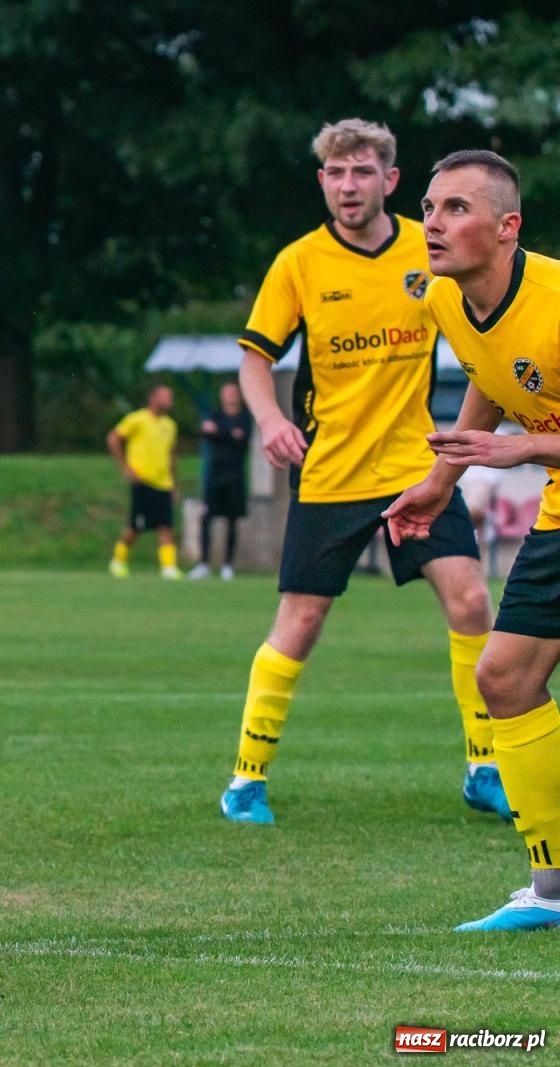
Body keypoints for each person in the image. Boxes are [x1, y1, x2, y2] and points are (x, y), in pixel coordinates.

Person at [218, 119, 497, 826]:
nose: (349, 186)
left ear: (391, 180)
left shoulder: (427, 249)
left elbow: (482, 328)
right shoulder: (300, 263)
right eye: (337, 174)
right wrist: (271, 419)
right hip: (332, 469)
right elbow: (255, 358)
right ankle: (246, 779)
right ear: (322, 182)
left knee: (470, 600)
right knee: (301, 619)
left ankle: (485, 765)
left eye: (363, 172)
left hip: (416, 464)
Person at [385, 150, 560, 930]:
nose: (432, 223)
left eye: (455, 208)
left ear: (507, 227)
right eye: (427, 208)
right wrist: (438, 481)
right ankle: (552, 889)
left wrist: (525, 450)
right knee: (505, 678)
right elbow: (494, 376)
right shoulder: (446, 302)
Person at [107, 384, 181, 579]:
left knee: (166, 526)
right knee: (135, 528)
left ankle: (169, 568)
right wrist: (125, 468)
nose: (168, 401)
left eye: (170, 397)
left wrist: (174, 483)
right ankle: (118, 560)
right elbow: (113, 439)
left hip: (163, 483)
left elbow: (172, 456)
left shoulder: (170, 425)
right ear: (152, 397)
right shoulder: (137, 419)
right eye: (164, 396)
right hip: (143, 482)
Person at [190, 381, 253, 580]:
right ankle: (204, 564)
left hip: (235, 475)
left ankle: (227, 565)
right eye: (226, 393)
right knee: (207, 518)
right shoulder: (216, 416)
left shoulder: (244, 418)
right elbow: (206, 434)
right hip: (215, 475)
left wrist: (220, 433)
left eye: (233, 393)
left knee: (232, 520)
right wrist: (226, 435)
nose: (230, 396)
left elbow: (242, 440)